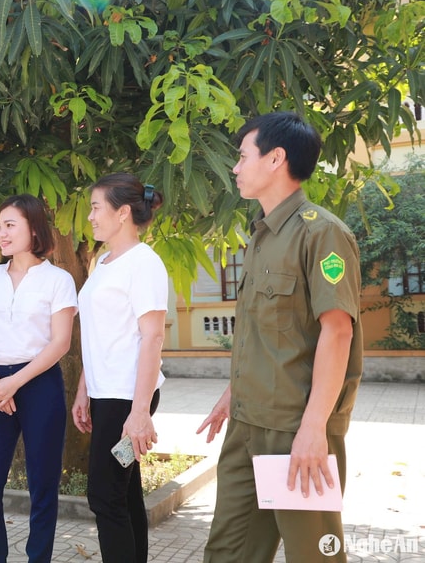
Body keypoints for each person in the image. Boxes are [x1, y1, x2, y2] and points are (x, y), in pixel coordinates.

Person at [197, 112, 363, 563]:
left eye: (242, 156)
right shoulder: (261, 237)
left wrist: (313, 429)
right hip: (247, 423)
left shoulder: (322, 233)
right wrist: (233, 394)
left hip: (295, 429)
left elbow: (337, 331)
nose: (235, 167)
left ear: (275, 159)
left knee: (313, 554)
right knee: (228, 551)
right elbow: (264, 333)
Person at [0, 194, 77, 563]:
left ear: (33, 229)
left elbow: (61, 342)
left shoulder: (58, 280)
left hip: (40, 384)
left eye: (10, 225)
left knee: (43, 486)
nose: (1, 233)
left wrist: (14, 384)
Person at [71, 173, 168, 562]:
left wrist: (139, 412)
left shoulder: (143, 263)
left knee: (104, 496)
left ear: (123, 212)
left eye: (96, 208)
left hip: (128, 398)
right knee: (124, 494)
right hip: (106, 395)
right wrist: (84, 390)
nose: (90, 216)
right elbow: (99, 332)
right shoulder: (104, 261)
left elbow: (153, 337)